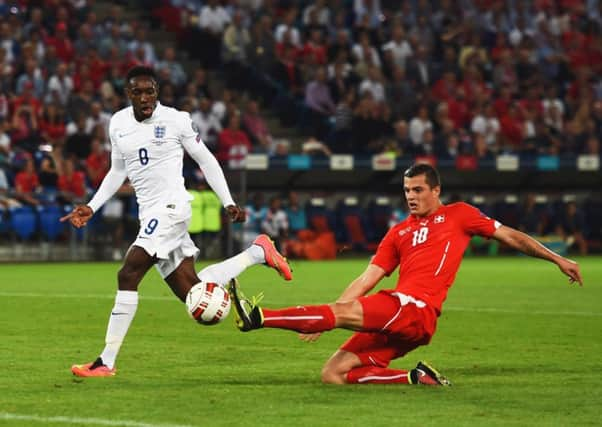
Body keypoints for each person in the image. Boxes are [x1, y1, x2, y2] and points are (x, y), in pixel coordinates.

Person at [229, 163, 583, 386]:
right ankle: (416, 377)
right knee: (333, 374)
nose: (411, 197)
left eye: (418, 190)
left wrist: (557, 259)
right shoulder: (398, 232)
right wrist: (333, 311)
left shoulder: (460, 215)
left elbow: (511, 236)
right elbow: (368, 277)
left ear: (436, 191)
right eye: (406, 191)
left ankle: (259, 316)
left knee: (343, 315)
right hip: (403, 320)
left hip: (417, 307)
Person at [61, 66, 293, 377]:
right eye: (138, 92)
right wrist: (92, 206)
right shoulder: (117, 124)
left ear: (157, 92)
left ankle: (106, 361)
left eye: (151, 91)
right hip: (150, 214)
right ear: (127, 94)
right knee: (193, 295)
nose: (145, 98)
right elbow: (118, 171)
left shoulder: (176, 120)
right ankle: (258, 252)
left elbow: (205, 159)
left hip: (171, 208)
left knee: (128, 273)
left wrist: (228, 201)